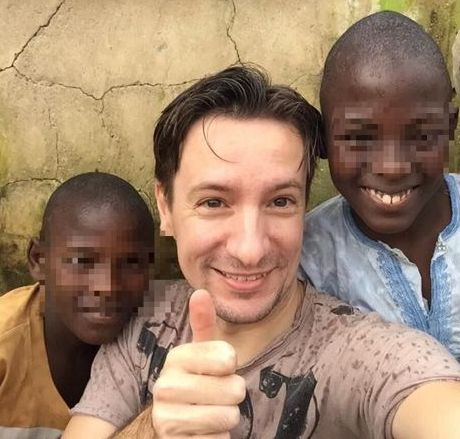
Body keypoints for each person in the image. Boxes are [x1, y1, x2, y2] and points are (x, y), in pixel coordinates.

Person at [64, 66, 460, 439]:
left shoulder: (357, 354)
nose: (250, 250)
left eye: (280, 202)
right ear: (165, 207)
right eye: (214, 202)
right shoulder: (144, 321)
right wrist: (152, 429)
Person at [299, 11, 460, 360]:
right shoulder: (308, 259)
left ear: (450, 125)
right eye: (359, 138)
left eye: (421, 135)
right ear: (322, 140)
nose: (392, 167)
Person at [0, 172, 155, 438]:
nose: (107, 287)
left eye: (130, 263)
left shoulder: (152, 342)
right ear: (38, 260)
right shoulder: (6, 344)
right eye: (82, 261)